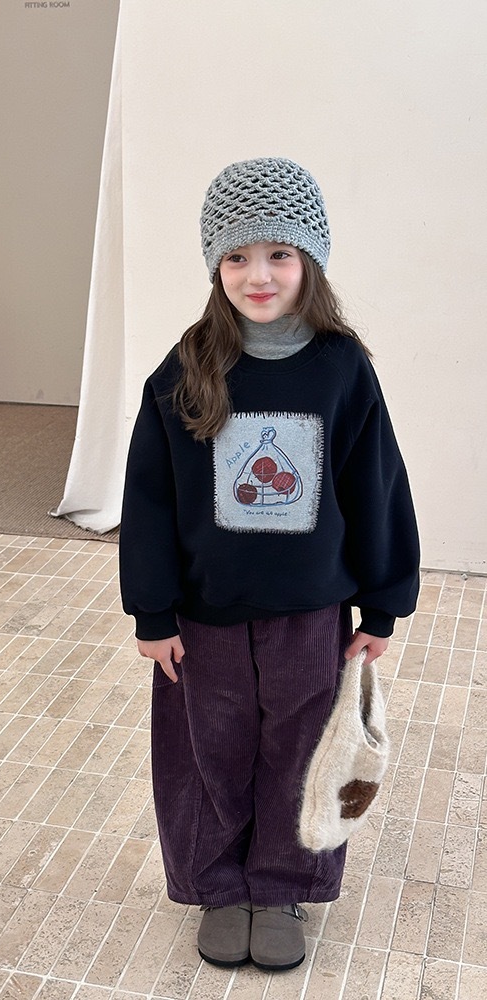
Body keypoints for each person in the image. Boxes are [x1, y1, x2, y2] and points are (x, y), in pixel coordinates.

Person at [118, 157, 419, 973]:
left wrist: (382, 606)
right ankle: (218, 886)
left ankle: (284, 886)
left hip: (310, 616)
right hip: (203, 618)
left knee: (301, 753)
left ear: (309, 258)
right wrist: (151, 612)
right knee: (206, 754)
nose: (259, 275)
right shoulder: (186, 367)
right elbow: (148, 498)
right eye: (237, 256)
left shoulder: (342, 368)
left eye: (279, 253)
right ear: (214, 264)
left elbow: (377, 487)